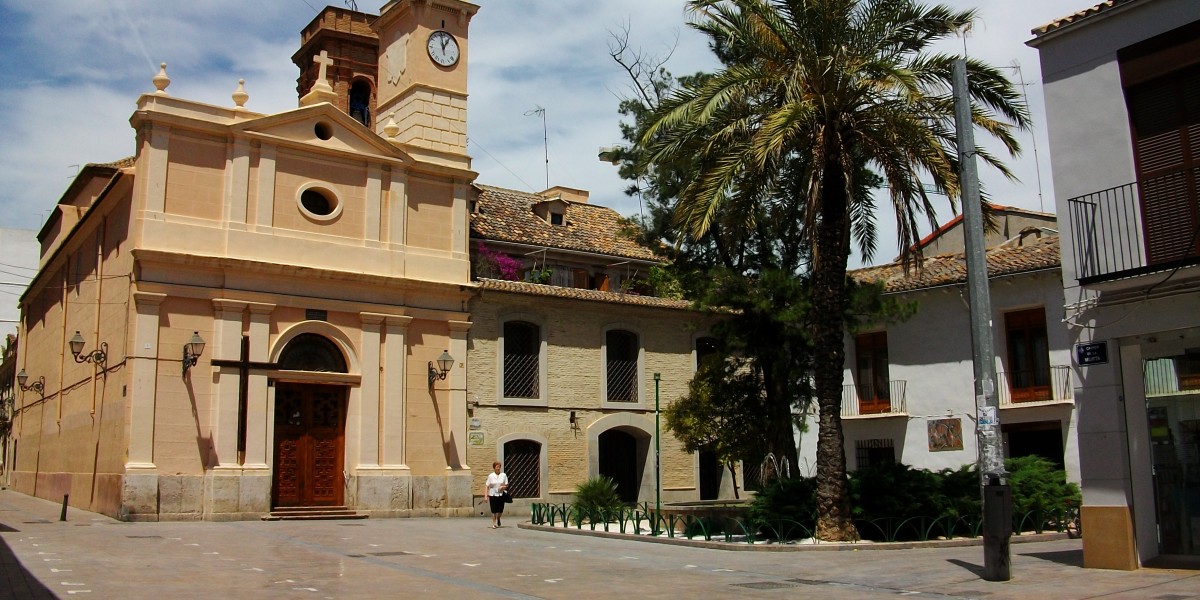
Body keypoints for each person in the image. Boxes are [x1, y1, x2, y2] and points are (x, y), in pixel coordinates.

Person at [484, 460, 509, 529]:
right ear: (494, 468)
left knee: (500, 510)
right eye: (496, 467)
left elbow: (507, 485)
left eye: (499, 467)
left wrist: (503, 487)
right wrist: (486, 496)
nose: (498, 468)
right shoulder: (491, 476)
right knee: (494, 510)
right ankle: (494, 523)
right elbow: (486, 486)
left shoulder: (503, 475)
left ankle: (498, 518)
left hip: (501, 494)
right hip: (493, 494)